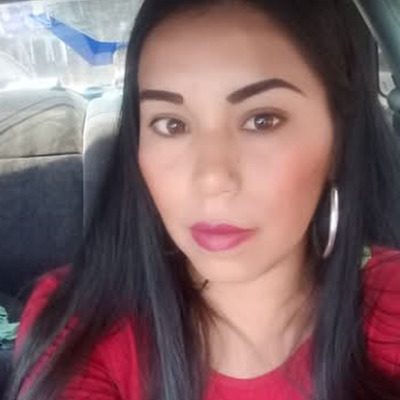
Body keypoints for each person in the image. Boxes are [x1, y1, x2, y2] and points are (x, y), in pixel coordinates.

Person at [6, 0, 400, 399]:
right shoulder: (80, 327)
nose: (212, 177)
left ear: (339, 142)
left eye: (262, 120)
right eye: (171, 124)